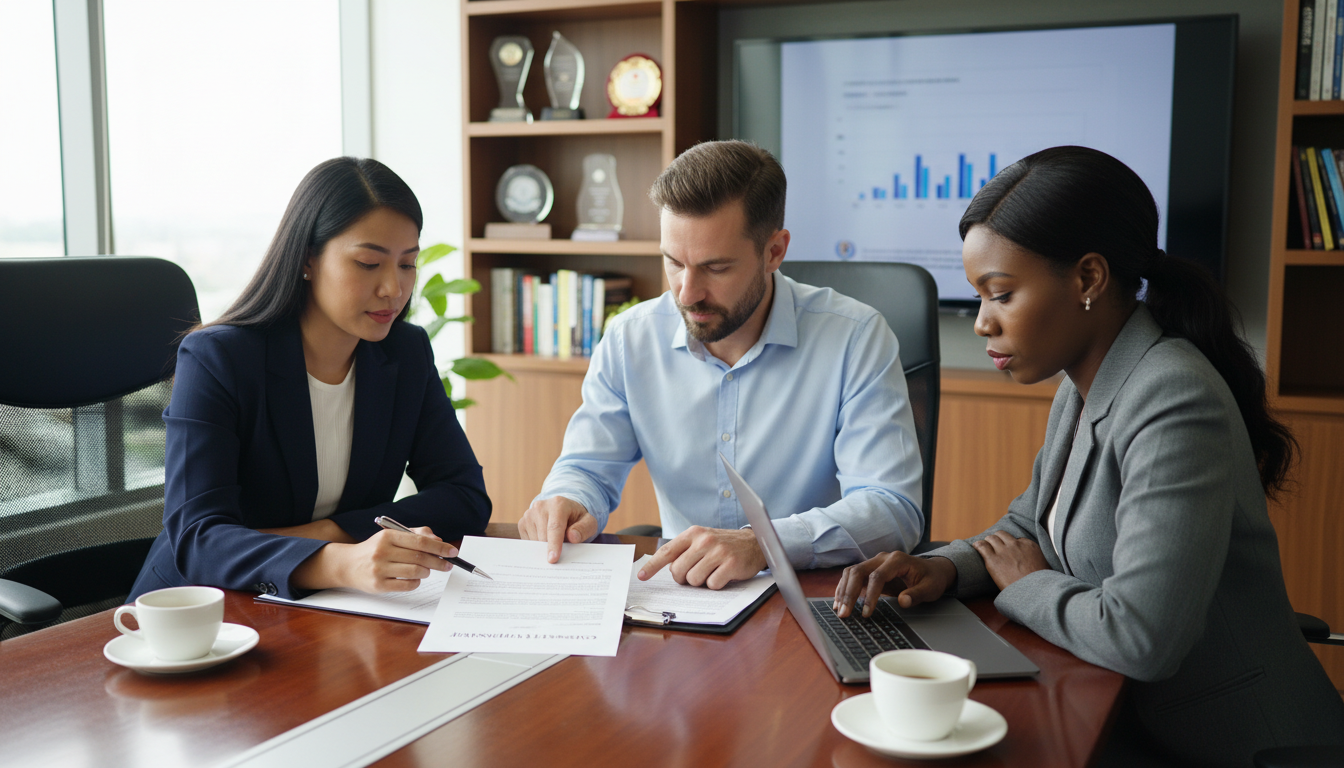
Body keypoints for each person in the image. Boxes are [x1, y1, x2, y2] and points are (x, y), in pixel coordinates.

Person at [833, 146, 1344, 766]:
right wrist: (943, 569)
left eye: (1001, 294)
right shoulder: (1087, 381)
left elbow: (1142, 638)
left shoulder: (1172, 397)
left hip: (1232, 744)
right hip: (1125, 712)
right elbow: (1028, 526)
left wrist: (1027, 585)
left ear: (1088, 279)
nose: (982, 323)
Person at [517, 140, 924, 589]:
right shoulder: (628, 338)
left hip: (812, 599)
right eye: (673, 262)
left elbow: (891, 508)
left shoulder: (855, 337)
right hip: (679, 601)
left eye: (715, 268)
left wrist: (763, 543)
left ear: (774, 251)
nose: (687, 293)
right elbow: (587, 468)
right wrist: (567, 499)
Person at [129, 157, 491, 602]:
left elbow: (465, 497)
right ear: (307, 259)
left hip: (325, 606)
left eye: (407, 265)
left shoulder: (404, 352)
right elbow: (198, 539)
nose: (393, 289)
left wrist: (326, 533)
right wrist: (339, 559)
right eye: (367, 263)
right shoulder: (219, 359)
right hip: (204, 609)